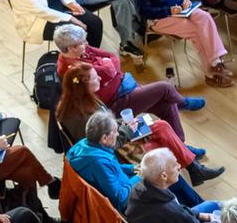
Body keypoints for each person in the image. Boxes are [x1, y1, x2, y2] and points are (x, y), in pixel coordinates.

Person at [52, 66, 212, 187]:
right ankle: (192, 169)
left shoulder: (77, 102)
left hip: (118, 134)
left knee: (161, 125)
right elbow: (105, 146)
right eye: (95, 78)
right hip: (117, 150)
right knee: (162, 133)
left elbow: (106, 128)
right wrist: (128, 130)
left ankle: (193, 168)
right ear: (83, 86)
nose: (100, 79)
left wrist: (123, 124)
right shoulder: (84, 115)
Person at [52, 22, 203, 139]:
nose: (86, 44)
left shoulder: (80, 50)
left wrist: (108, 68)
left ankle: (181, 147)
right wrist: (106, 66)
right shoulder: (72, 69)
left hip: (126, 87)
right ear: (71, 48)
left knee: (167, 106)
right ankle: (183, 103)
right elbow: (107, 70)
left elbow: (112, 58)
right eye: (82, 43)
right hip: (117, 103)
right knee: (165, 88)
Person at [68, 109, 220, 213]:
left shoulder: (84, 145)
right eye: (115, 132)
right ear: (105, 138)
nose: (118, 134)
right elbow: (120, 198)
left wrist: (137, 168)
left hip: (124, 185)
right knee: (167, 176)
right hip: (129, 204)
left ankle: (195, 209)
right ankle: (198, 211)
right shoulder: (98, 163)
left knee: (171, 176)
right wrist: (141, 175)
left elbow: (116, 168)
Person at [136, 0, 233, 87]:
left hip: (181, 9)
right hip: (159, 18)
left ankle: (215, 61)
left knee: (205, 18)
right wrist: (168, 11)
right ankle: (210, 72)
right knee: (195, 31)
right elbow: (143, 11)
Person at [124, 148, 224, 223]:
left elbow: (181, 213)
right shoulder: (169, 210)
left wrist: (205, 217)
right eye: (174, 164)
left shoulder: (138, 189)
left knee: (211, 205)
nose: (179, 166)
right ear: (164, 175)